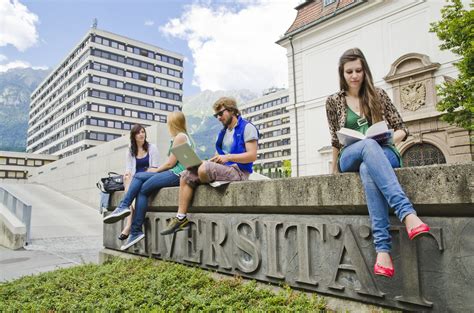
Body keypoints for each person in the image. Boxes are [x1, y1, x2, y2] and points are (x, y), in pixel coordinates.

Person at [325, 48, 430, 278]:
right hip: (350, 154)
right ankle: (407, 214)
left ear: (365, 71)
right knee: (366, 148)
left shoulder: (378, 95)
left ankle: (382, 252)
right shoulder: (333, 101)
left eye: (358, 70)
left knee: (368, 164)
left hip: (384, 152)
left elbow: (402, 128)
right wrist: (334, 170)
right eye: (349, 71)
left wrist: (388, 137)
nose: (354, 75)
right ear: (342, 74)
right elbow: (335, 139)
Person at [160, 97, 259, 236]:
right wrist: (212, 160)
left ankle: (204, 176)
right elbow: (219, 155)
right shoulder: (223, 133)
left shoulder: (247, 128)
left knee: (204, 169)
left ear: (232, 110)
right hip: (224, 169)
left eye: (220, 113)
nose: (218, 118)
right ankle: (181, 218)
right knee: (185, 174)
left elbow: (252, 155)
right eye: (216, 115)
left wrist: (228, 157)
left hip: (240, 172)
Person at [103, 111, 194, 250]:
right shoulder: (184, 136)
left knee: (139, 176)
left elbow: (171, 163)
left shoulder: (180, 137)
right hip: (175, 172)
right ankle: (135, 230)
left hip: (176, 174)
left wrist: (155, 170)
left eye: (168, 122)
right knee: (142, 190)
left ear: (173, 123)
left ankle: (124, 208)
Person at [112, 124, 159, 240]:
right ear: (134, 136)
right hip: (134, 179)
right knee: (128, 179)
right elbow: (128, 169)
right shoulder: (130, 150)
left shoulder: (152, 148)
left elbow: (155, 168)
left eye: (143, 132)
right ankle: (129, 223)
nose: (141, 134)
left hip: (148, 177)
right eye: (138, 133)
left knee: (133, 188)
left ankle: (127, 224)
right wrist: (128, 174)